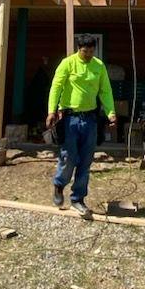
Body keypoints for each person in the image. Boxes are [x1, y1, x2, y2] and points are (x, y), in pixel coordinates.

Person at [46, 35, 117, 219]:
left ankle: (78, 198)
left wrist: (110, 112)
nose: (88, 55)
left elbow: (105, 90)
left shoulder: (99, 66)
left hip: (90, 120)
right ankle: (59, 184)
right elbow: (56, 87)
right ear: (79, 49)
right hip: (70, 119)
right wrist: (51, 110)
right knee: (69, 157)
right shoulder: (67, 64)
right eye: (85, 51)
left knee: (85, 161)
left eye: (91, 51)